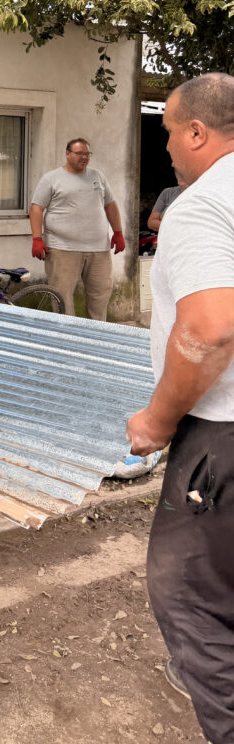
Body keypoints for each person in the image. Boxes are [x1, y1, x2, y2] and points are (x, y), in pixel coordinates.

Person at [126, 73, 234, 744]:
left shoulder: (203, 204)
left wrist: (157, 421)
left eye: (167, 130)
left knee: (188, 596)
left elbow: (210, 332)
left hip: (222, 436)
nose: (164, 145)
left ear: (197, 131)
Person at [28, 138, 125, 321]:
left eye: (87, 154)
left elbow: (110, 205)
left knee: (101, 293)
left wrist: (118, 232)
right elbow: (36, 208)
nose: (84, 157)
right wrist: (37, 238)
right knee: (62, 296)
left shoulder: (97, 176)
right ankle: (67, 335)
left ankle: (96, 333)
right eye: (80, 153)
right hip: (62, 248)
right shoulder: (52, 178)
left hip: (98, 249)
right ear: (67, 154)